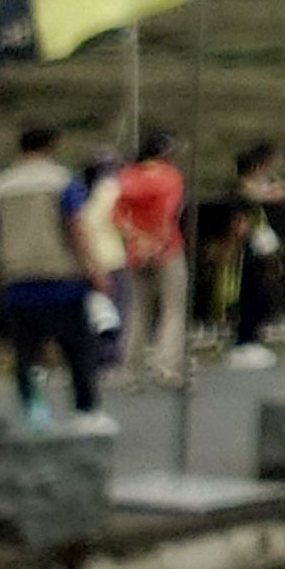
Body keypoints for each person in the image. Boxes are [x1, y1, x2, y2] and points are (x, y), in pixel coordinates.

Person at [0, 122, 110, 429]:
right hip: (61, 276)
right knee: (77, 348)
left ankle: (35, 412)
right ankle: (86, 410)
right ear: (52, 146)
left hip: (17, 278)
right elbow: (76, 227)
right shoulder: (62, 181)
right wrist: (93, 267)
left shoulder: (0, 185)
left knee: (26, 354)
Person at [113, 126, 189, 387]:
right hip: (167, 249)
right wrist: (158, 242)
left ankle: (130, 368)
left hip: (135, 250)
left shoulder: (127, 176)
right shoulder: (170, 176)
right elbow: (169, 213)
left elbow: (117, 215)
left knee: (137, 309)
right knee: (172, 308)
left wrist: (136, 238)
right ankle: (165, 365)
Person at [224, 140, 285, 368]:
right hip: (248, 249)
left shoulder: (261, 188)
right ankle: (243, 341)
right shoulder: (241, 193)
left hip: (262, 247)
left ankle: (251, 338)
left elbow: (278, 194)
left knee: (263, 292)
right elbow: (247, 207)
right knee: (250, 293)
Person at [77, 146, 129, 374]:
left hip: (85, 259)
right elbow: (122, 222)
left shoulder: (79, 191)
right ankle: (110, 358)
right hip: (112, 257)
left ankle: (92, 357)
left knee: (93, 313)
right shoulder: (114, 189)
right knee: (116, 311)